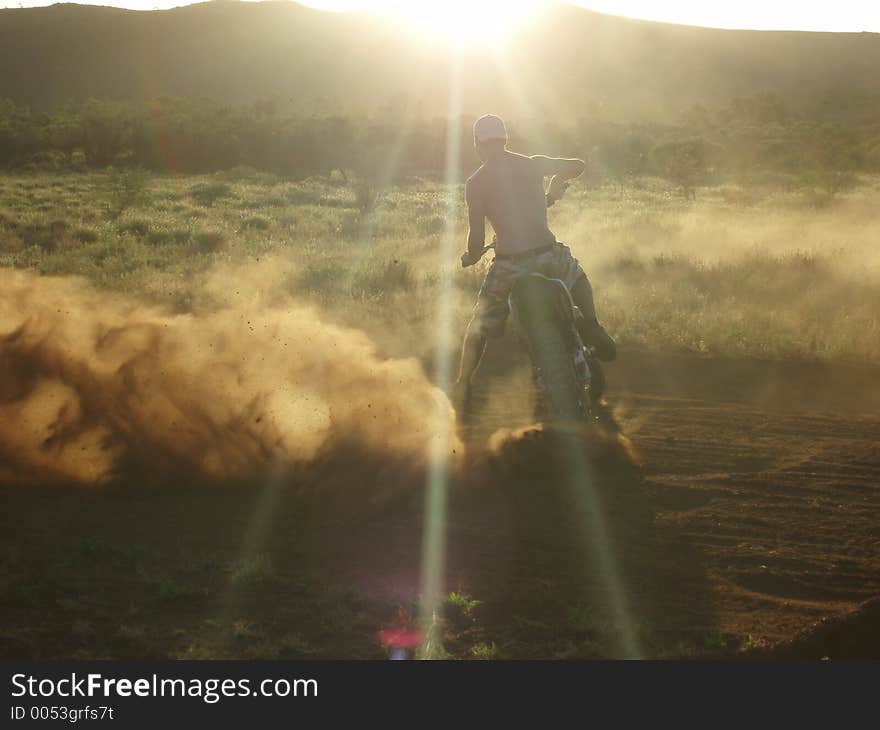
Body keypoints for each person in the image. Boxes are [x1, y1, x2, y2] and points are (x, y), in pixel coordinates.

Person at [454, 113, 616, 406]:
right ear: (505, 139)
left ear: (477, 143)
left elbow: (477, 239)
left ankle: (464, 383)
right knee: (577, 276)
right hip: (548, 255)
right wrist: (555, 182)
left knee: (478, 326)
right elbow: (577, 166)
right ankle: (592, 325)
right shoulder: (532, 164)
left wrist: (470, 256)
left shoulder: (476, 183)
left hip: (509, 266)